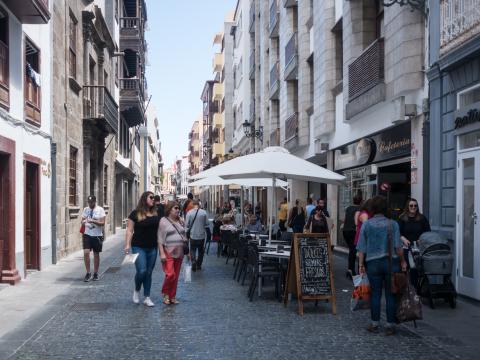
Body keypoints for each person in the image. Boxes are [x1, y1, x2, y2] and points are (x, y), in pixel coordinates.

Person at [357, 195, 407, 336]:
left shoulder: (367, 224)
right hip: (391, 263)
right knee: (391, 295)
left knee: (375, 294)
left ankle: (374, 324)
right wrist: (403, 261)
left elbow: (361, 247)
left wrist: (361, 265)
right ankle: (390, 325)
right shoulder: (393, 224)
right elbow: (398, 246)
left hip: (373, 263)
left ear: (372, 208)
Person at [125, 192, 159, 307]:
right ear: (144, 199)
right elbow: (129, 230)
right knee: (142, 271)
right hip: (138, 246)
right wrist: (127, 245)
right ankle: (136, 289)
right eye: (151, 197)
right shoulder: (135, 214)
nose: (153, 199)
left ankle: (147, 297)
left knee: (149, 272)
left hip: (153, 247)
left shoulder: (156, 213)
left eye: (154, 198)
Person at [157, 201, 187, 305]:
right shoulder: (163, 221)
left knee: (176, 275)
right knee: (170, 274)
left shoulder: (181, 221)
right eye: (175, 208)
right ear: (169, 209)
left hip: (180, 251)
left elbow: (185, 236)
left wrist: (188, 252)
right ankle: (165, 293)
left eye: (178, 208)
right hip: (168, 251)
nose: (178, 210)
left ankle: (172, 296)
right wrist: (161, 253)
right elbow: (160, 238)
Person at [398, 198, 431, 286]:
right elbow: (398, 232)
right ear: (407, 207)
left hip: (418, 248)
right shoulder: (402, 218)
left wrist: (422, 239)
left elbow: (428, 231)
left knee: (416, 270)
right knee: (406, 268)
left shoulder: (422, 218)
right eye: (411, 205)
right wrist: (403, 239)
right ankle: (407, 292)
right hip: (406, 248)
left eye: (415, 206)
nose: (413, 207)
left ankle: (416, 291)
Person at [81, 195, 106, 282]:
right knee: (86, 253)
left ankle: (95, 273)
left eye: (91, 202)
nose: (90, 204)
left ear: (95, 201)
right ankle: (88, 273)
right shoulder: (86, 209)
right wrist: (84, 222)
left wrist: (93, 221)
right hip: (87, 234)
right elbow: (82, 220)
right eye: (89, 202)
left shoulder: (100, 210)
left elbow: (102, 223)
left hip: (97, 235)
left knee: (96, 254)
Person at [185, 200, 211, 271]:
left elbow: (187, 225)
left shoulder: (189, 213)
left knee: (192, 249)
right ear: (199, 205)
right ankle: (199, 265)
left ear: (193, 205)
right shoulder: (203, 212)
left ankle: (193, 261)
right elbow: (207, 224)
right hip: (201, 235)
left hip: (193, 235)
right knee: (200, 250)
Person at [344, 194, 363, 278]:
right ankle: (351, 270)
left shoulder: (348, 208)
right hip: (353, 231)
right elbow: (357, 222)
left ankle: (350, 269)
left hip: (345, 230)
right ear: (361, 201)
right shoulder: (359, 209)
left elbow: (345, 219)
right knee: (353, 251)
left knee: (352, 250)